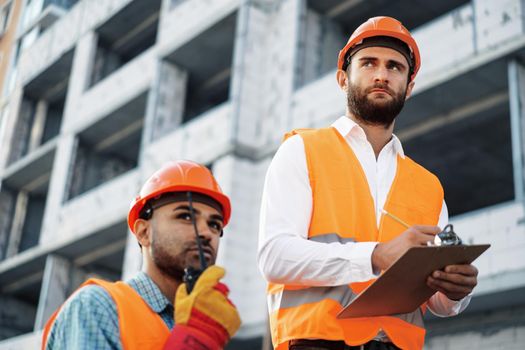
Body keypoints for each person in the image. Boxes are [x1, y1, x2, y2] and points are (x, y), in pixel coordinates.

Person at [258, 16, 478, 350]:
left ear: (409, 86)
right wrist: (375, 256)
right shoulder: (302, 150)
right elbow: (274, 257)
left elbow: (438, 304)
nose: (381, 75)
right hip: (316, 342)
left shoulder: (428, 186)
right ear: (343, 79)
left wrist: (455, 291)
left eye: (394, 67)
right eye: (368, 63)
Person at [42, 160, 241, 350]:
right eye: (186, 216)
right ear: (144, 233)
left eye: (214, 224)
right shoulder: (97, 306)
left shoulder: (208, 323)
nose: (206, 232)